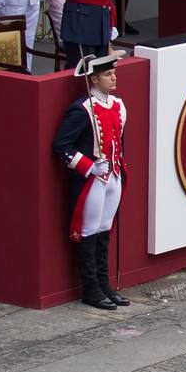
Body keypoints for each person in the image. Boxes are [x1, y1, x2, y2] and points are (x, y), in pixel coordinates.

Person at [52, 52, 129, 309]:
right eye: (108, 74)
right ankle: (91, 288)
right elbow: (61, 145)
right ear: (94, 79)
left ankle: (104, 284)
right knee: (89, 233)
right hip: (93, 180)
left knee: (104, 231)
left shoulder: (119, 106)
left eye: (113, 72)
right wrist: (89, 167)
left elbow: (119, 141)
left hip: (114, 175)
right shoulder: (81, 109)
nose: (114, 77)